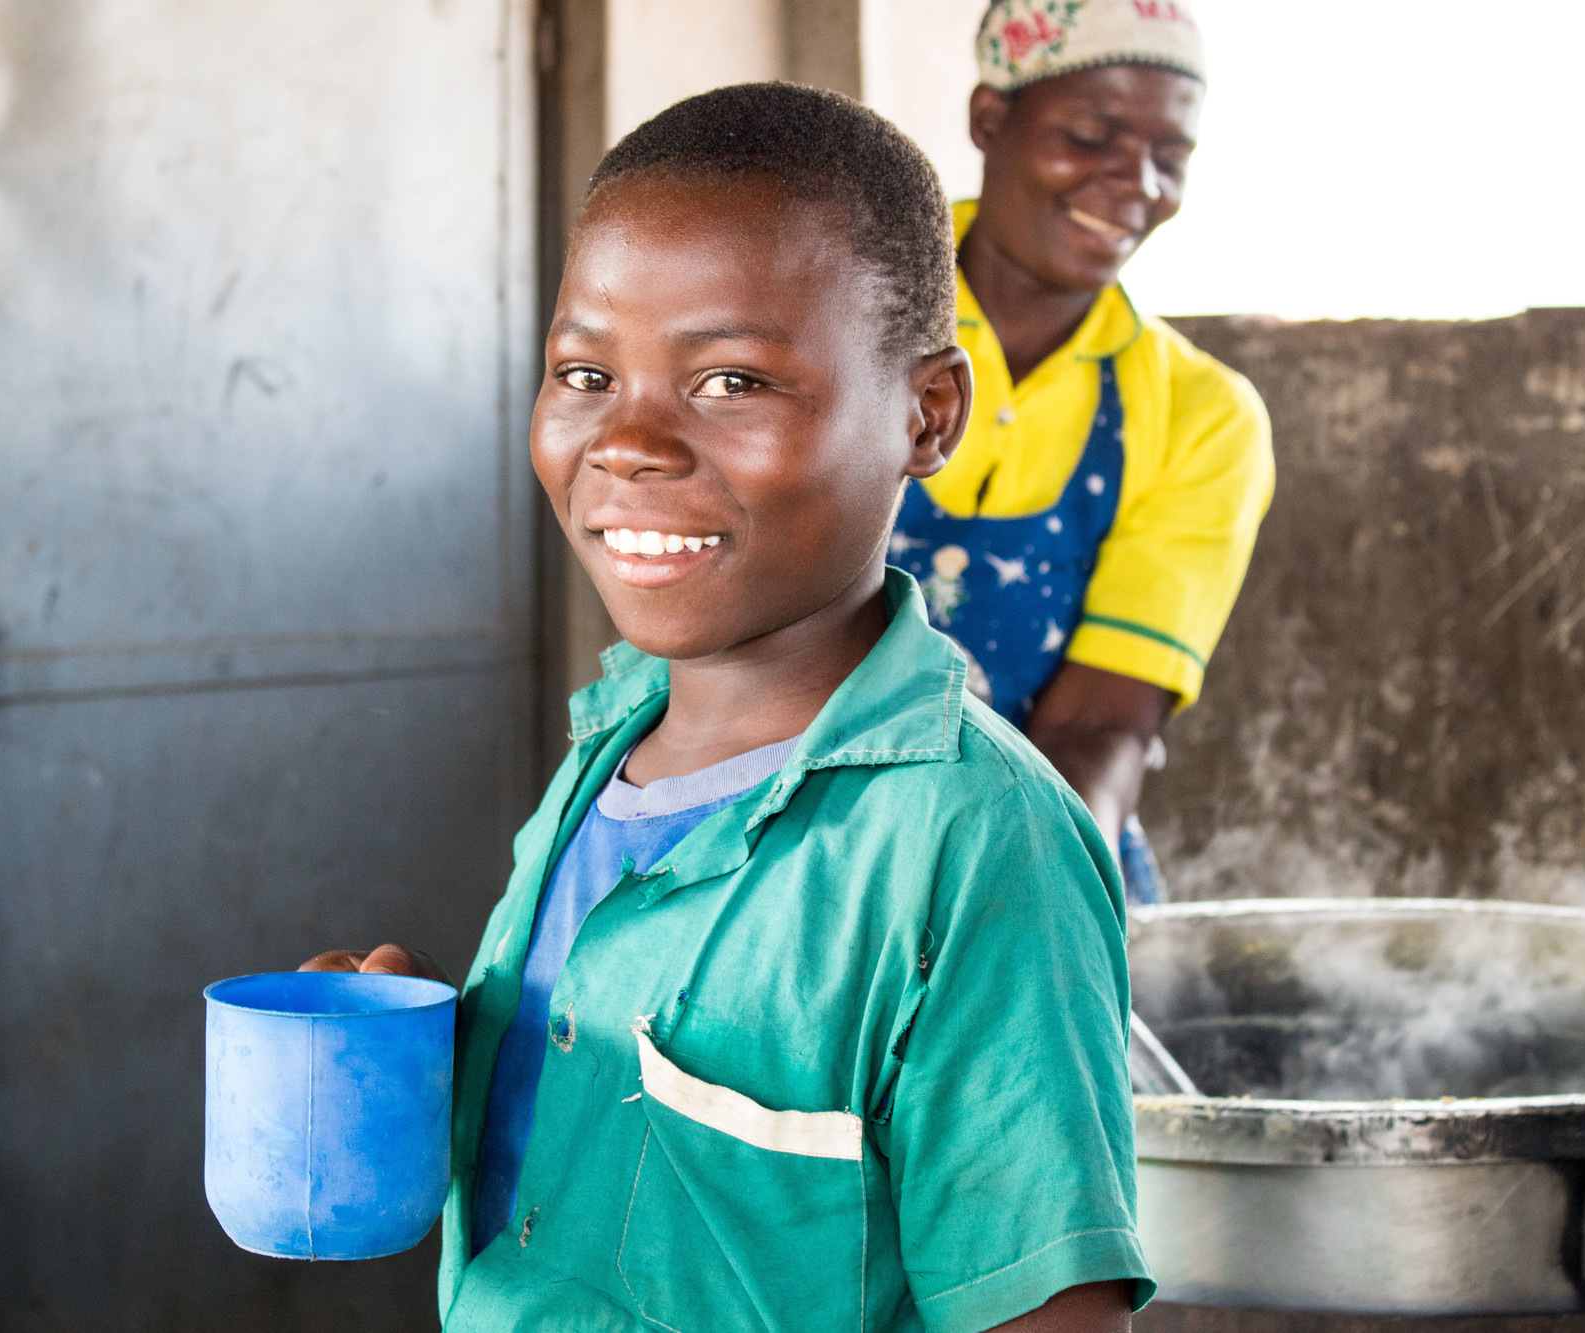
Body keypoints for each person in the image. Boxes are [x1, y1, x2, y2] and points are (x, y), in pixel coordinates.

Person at [303, 84, 1151, 1332]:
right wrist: (442, 1055)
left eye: (731, 382)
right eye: (584, 371)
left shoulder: (972, 846)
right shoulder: (616, 740)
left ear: (925, 414)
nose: (630, 440)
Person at [889, 0, 1274, 903]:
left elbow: (1103, 724)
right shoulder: (835, 313)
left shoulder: (1200, 414)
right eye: (1092, 133)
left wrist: (1041, 905)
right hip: (778, 831)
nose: (1134, 182)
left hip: (1044, 838)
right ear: (991, 120)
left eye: (1170, 158)